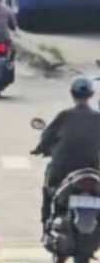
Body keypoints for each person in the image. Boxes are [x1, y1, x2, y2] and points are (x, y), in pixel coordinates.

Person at [32, 77, 100, 232]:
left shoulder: (65, 116)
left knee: (49, 190)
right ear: (91, 94)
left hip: (63, 168)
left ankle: (46, 225)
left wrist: (40, 148)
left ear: (72, 94)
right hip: (92, 168)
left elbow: (47, 137)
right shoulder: (98, 118)